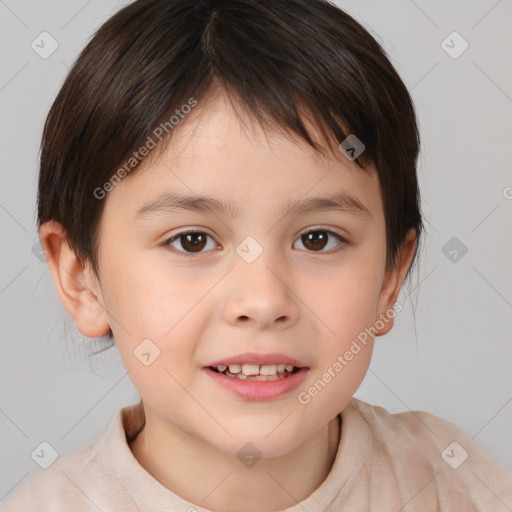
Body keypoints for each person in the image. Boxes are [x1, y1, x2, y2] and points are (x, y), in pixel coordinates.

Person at [2, 0, 512, 510]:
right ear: (80, 277)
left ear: (389, 278)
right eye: (192, 240)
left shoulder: (456, 484)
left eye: (317, 239)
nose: (264, 300)